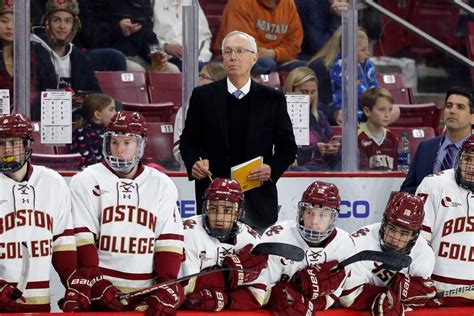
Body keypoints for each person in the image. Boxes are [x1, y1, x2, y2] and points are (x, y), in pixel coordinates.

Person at [180, 31, 297, 232]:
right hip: (214, 199)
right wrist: (193, 163)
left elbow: (288, 147)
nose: (233, 56)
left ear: (254, 58)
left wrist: (271, 169)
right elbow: (188, 141)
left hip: (257, 199)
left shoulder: (272, 99)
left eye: (240, 51)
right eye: (227, 52)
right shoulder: (203, 96)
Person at [70, 111, 185, 314]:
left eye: (127, 143)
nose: (119, 150)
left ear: (140, 145)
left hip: (146, 293)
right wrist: (97, 284)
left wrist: (166, 284)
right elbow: (82, 238)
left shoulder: (161, 183)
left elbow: (168, 240)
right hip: (101, 289)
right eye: (114, 142)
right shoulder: (87, 179)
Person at [0, 113, 91, 312]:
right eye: (1, 143)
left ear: (27, 145)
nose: (6, 150)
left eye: (13, 143)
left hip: (40, 305)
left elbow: (62, 242)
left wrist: (72, 281)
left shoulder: (52, 182)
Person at [255, 181, 355, 314]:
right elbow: (260, 292)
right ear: (301, 212)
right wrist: (276, 297)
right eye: (309, 212)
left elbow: (333, 296)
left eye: (322, 215)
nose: (314, 222)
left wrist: (308, 307)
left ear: (333, 218)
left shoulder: (345, 244)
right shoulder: (276, 237)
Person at [340, 192, 437, 315]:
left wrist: (417, 295)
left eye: (404, 233)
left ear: (414, 235)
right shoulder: (358, 243)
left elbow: (416, 299)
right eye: (392, 229)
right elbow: (348, 298)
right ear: (384, 223)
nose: (395, 239)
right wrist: (392, 294)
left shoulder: (423, 253)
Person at [180, 178, 268, 311]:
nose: (219, 217)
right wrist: (228, 276)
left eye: (227, 211)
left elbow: (259, 295)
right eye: (214, 208)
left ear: (238, 213)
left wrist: (225, 299)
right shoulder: (188, 232)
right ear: (206, 209)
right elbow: (185, 285)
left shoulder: (251, 240)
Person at [415, 134, 474, 307]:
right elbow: (418, 242)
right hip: (439, 292)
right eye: (468, 158)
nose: (471, 166)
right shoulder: (434, 184)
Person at [31, 0, 102, 120]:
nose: (62, 26)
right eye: (56, 20)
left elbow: (96, 93)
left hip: (76, 118)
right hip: (44, 117)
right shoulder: (33, 51)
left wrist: (85, 100)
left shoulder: (80, 57)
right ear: (47, 22)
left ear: (74, 25)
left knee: (113, 105)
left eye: (68, 21)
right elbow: (31, 97)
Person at [401, 86, 474, 193]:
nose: (452, 111)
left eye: (460, 107)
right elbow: (406, 190)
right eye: (449, 106)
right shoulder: (425, 147)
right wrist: (430, 193)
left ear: (473, 118)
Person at [329, 27, 400, 126]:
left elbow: (375, 87)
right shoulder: (340, 67)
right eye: (363, 50)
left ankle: (375, 128)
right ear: (349, 51)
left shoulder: (369, 65)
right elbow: (358, 92)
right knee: (375, 112)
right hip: (349, 111)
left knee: (395, 110)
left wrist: (381, 98)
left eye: (367, 48)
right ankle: (372, 127)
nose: (368, 53)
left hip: (368, 107)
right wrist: (377, 102)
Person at [213, 0, 305, 72]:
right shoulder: (240, 2)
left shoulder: (288, 3)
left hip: (276, 59)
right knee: (266, 63)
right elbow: (242, 45)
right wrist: (270, 54)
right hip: (233, 60)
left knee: (302, 67)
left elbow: (294, 45)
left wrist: (274, 53)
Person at [283, 66, 340, 171]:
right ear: (291, 89)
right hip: (299, 169)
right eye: (304, 92)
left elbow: (329, 143)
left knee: (348, 152)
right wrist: (315, 150)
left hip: (323, 166)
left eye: (312, 92)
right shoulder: (279, 117)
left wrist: (331, 148)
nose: (309, 96)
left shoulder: (320, 117)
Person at [172, 62, 226, 168]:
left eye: (203, 77)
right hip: (199, 168)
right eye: (199, 75)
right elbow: (178, 149)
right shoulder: (186, 109)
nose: (198, 80)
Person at [152, 0, 212, 70]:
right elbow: (148, 37)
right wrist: (164, 46)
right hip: (167, 57)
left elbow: (204, 36)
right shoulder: (153, 3)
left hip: (196, 57)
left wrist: (199, 55)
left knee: (214, 71)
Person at [358, 87, 399, 171]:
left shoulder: (393, 138)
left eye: (390, 110)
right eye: (381, 110)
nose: (387, 115)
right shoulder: (357, 137)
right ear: (367, 111)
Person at [70, 93, 116, 167]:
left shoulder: (107, 132)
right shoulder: (83, 133)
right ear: (98, 115)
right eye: (111, 110)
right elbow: (89, 164)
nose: (115, 113)